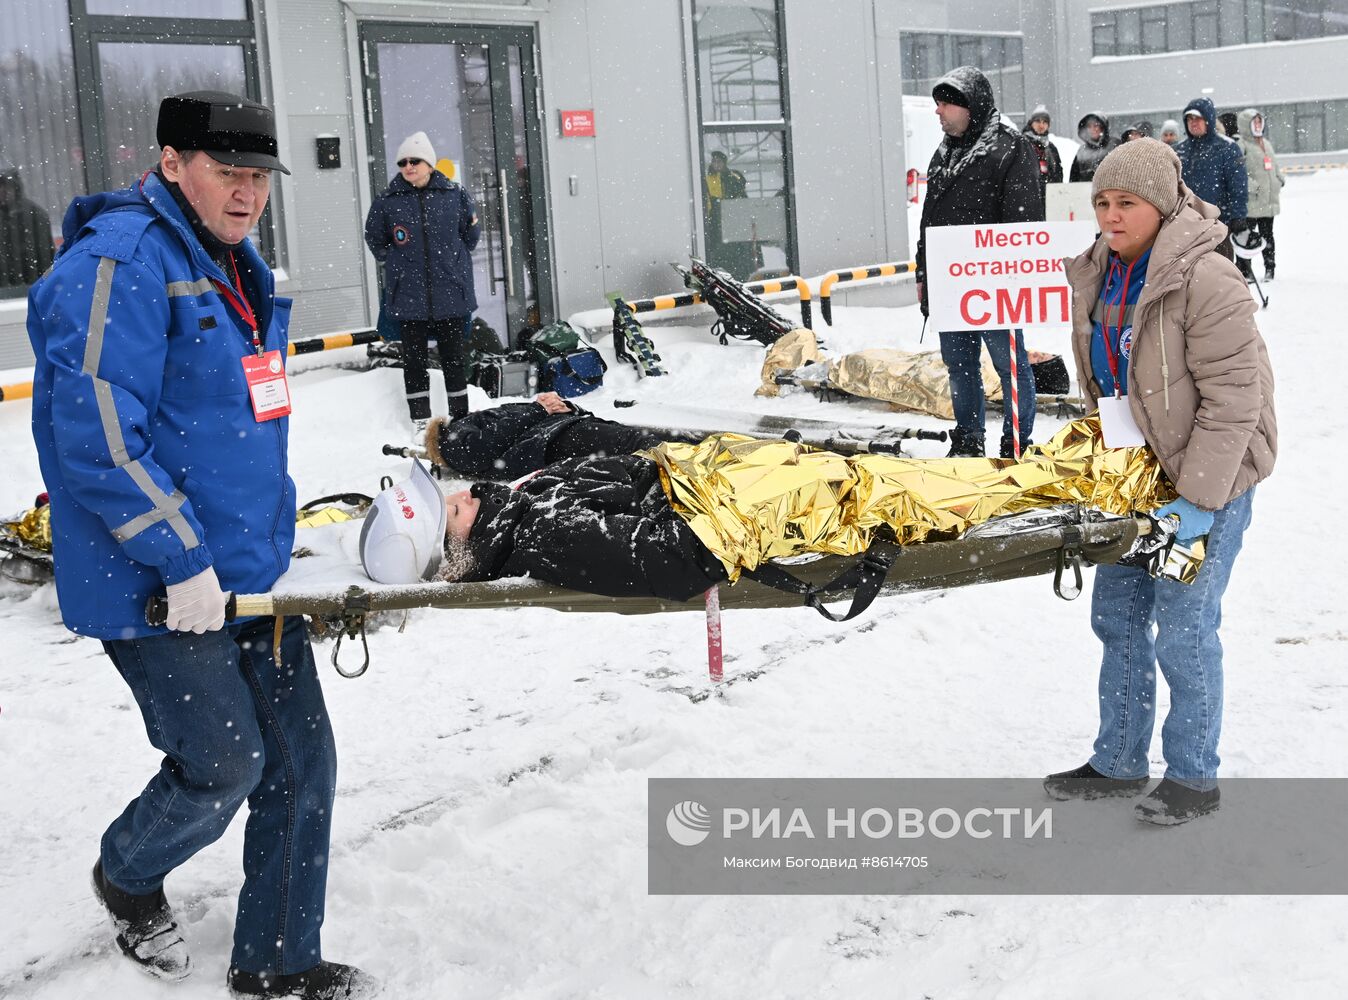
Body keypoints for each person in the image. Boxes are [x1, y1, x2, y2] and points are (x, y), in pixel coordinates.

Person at [26, 91, 377, 999]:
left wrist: (273, 545)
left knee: (304, 768)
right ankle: (127, 872)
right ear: (173, 162)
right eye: (229, 172)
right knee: (225, 764)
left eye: (260, 176)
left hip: (250, 575)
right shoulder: (120, 265)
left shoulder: (233, 263)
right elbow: (98, 440)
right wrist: (185, 560)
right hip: (156, 580)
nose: (248, 192)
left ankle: (276, 964)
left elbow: (236, 423)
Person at [1048, 138, 1276, 825]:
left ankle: (1193, 777)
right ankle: (1119, 760)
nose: (1111, 217)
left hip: (1210, 479)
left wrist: (1200, 501)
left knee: (1182, 627)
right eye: (1102, 204)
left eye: (1127, 204)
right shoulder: (1096, 271)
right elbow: (1107, 382)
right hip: (1136, 481)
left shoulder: (1206, 279)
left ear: (1162, 205)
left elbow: (1236, 401)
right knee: (1117, 618)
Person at [914, 66, 1042, 458]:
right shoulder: (944, 152)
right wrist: (924, 270)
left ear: (972, 106)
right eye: (938, 103)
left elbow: (1024, 219)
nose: (938, 111)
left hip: (992, 279)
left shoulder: (1009, 147)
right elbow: (929, 216)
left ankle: (1015, 442)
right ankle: (968, 439)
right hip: (951, 280)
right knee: (960, 365)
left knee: (1009, 365)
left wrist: (1009, 273)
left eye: (947, 103)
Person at [365, 131, 481, 441]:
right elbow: (375, 237)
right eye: (402, 162)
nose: (407, 166)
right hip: (409, 296)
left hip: (449, 292)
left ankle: (460, 417)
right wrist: (397, 263)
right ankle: (420, 421)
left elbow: (470, 236)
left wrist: (451, 265)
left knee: (454, 358)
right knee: (414, 361)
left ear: (429, 163)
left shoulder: (455, 195)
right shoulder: (388, 201)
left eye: (414, 161)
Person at [422, 391, 701, 479]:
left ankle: (700, 455)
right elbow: (486, 446)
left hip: (560, 432)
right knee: (636, 442)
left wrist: (562, 407)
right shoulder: (453, 439)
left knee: (635, 441)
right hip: (552, 441)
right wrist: (538, 410)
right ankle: (703, 457)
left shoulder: (465, 429)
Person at [1175, 97, 1249, 259]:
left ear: (1208, 120)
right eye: (1189, 119)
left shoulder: (1227, 148)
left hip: (1218, 224)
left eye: (1198, 118)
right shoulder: (1179, 151)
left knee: (1219, 275)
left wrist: (1238, 216)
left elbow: (1238, 186)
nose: (1193, 123)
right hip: (1186, 226)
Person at [1234, 107, 1284, 281]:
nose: (1257, 125)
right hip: (1252, 203)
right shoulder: (1241, 145)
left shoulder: (1266, 143)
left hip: (1269, 201)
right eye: (1253, 122)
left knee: (1268, 237)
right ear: (1245, 125)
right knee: (1246, 239)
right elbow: (1238, 172)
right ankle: (1244, 271)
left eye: (1259, 121)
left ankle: (1270, 269)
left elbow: (1274, 165)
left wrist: (1279, 178)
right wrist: (1252, 187)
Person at [0, 158, 55, 287]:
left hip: (30, 289)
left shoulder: (35, 216)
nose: (2, 191)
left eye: (6, 186)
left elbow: (45, 257)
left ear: (16, 188)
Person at [702, 150, 754, 279]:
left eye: (719, 161)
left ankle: (737, 273)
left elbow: (740, 189)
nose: (716, 164)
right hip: (716, 218)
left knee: (735, 249)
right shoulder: (708, 178)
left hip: (731, 217)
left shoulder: (732, 177)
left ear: (724, 163)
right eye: (714, 161)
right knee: (720, 248)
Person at [1021, 105, 1064, 198]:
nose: (1041, 125)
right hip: (1027, 196)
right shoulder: (1022, 144)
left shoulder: (1051, 148)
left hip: (1049, 196)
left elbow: (1058, 173)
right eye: (1038, 121)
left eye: (1045, 122)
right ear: (1031, 123)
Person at [1069, 111, 1117, 181]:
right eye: (1089, 126)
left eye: (1096, 125)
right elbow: (1074, 178)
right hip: (1085, 190)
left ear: (1103, 127)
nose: (1092, 129)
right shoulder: (1082, 151)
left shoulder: (1114, 145)